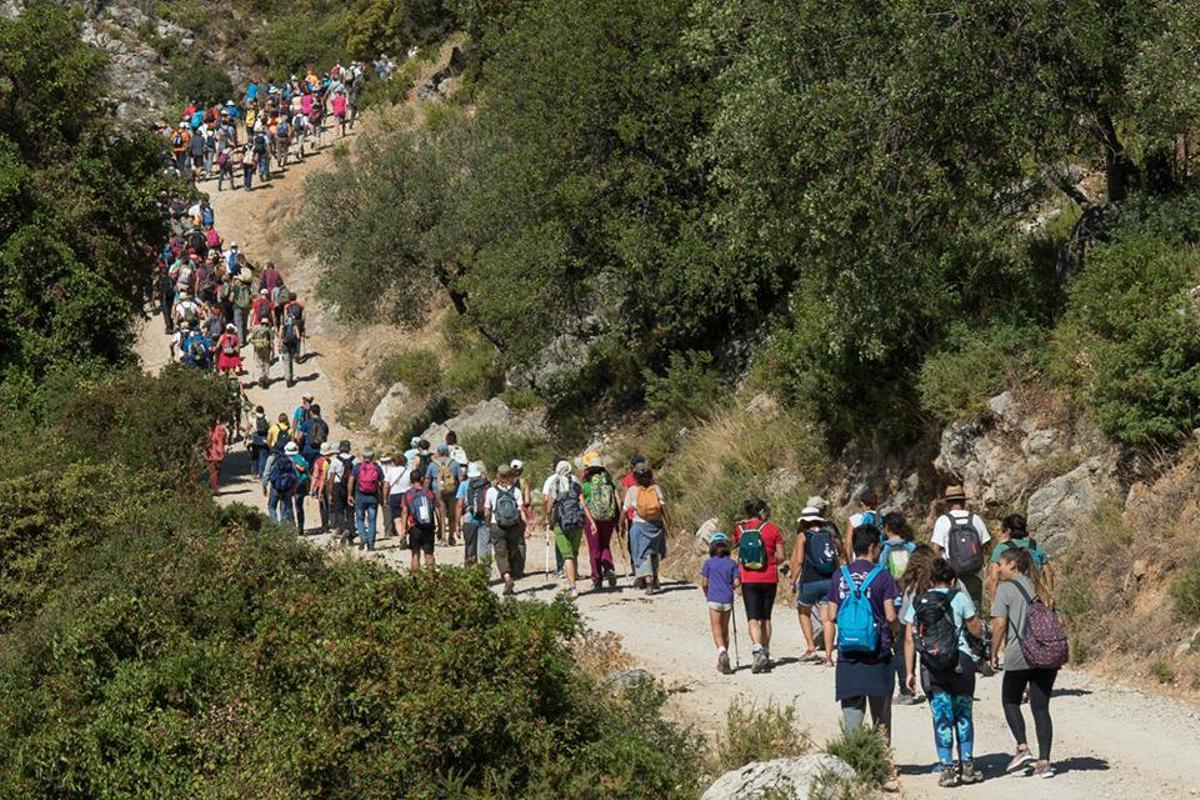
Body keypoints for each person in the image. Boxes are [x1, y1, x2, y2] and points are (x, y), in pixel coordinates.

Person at [903, 557, 985, 787]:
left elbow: (909, 638)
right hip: (961, 662)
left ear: (930, 579)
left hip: (932, 665)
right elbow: (976, 629)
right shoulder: (959, 597)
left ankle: (947, 769)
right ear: (952, 579)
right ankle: (967, 766)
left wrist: (909, 672)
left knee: (941, 716)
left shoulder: (919, 602)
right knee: (963, 714)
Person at [823, 524, 901, 742]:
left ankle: (854, 762)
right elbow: (891, 616)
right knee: (881, 717)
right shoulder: (882, 576)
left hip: (849, 655)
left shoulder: (840, 575)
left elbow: (831, 615)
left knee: (852, 717)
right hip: (878, 654)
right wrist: (896, 633)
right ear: (873, 547)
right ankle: (883, 763)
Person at [991, 548, 1061, 779]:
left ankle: (1022, 748)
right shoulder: (1041, 587)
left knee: (1010, 700)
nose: (997, 568)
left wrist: (993, 653)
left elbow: (1000, 624)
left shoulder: (1005, 589)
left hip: (1020, 653)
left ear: (1012, 564)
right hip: (1047, 653)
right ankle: (1045, 762)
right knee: (1041, 707)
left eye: (1000, 563)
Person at [931, 485, 991, 643]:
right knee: (974, 612)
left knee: (953, 612)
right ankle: (978, 648)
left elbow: (935, 549)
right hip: (975, 574)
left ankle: (957, 646)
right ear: (963, 501)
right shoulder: (975, 519)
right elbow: (986, 545)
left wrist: (940, 570)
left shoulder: (943, 521)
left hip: (951, 576)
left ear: (947, 503)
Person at [734, 498, 786, 673]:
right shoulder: (772, 529)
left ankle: (757, 649)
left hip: (748, 577)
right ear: (761, 512)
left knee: (752, 617)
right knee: (766, 618)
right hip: (769, 577)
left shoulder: (740, 529)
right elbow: (781, 557)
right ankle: (766, 651)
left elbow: (737, 548)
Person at [788, 506, 839, 662]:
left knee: (803, 611)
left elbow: (799, 561)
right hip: (829, 580)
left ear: (804, 521)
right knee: (827, 619)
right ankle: (829, 657)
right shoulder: (829, 534)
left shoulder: (803, 536)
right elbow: (836, 558)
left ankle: (811, 648)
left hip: (810, 580)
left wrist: (792, 582)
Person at [545, 460, 590, 599]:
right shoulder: (576, 485)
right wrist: (591, 521)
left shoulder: (555, 485)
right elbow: (583, 504)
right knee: (574, 553)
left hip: (561, 523)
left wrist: (549, 521)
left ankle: (572, 588)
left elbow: (548, 506)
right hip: (577, 522)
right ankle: (574, 578)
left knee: (567, 556)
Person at [622, 461, 669, 594]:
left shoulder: (632, 490)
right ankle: (655, 579)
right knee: (654, 553)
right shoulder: (656, 488)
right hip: (656, 525)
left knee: (643, 555)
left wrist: (621, 525)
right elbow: (664, 507)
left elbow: (625, 509)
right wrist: (668, 524)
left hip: (639, 526)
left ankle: (648, 583)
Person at [485, 465, 530, 596]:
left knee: (500, 554)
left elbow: (487, 511)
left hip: (497, 525)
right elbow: (521, 510)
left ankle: (507, 578)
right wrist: (525, 527)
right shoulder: (516, 491)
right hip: (514, 527)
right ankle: (513, 573)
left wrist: (488, 523)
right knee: (512, 551)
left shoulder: (491, 491)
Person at [700, 532, 740, 675]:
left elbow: (704, 583)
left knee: (716, 627)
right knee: (725, 629)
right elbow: (736, 583)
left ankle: (722, 652)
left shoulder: (709, 563)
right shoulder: (732, 563)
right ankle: (723, 660)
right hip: (727, 599)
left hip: (714, 598)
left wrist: (706, 593)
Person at [987, 513, 1052, 599]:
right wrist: (1049, 593)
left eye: (1004, 530)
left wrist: (994, 601)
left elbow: (994, 577)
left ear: (1009, 530)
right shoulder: (1035, 546)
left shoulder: (1001, 549)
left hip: (1012, 595)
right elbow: (1048, 572)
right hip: (1036, 595)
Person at [580, 454, 619, 589]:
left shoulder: (586, 484)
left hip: (593, 520)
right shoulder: (608, 481)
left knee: (594, 550)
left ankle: (597, 578)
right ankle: (609, 569)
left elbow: (582, 502)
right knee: (605, 545)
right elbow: (617, 499)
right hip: (608, 518)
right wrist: (617, 517)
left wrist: (590, 521)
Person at [400, 470, 439, 571]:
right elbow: (437, 510)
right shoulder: (429, 493)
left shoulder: (408, 494)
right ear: (422, 479)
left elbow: (404, 512)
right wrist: (440, 527)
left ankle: (416, 581)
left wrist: (403, 530)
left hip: (414, 527)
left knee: (415, 554)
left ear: (410, 480)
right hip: (429, 527)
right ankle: (431, 580)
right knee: (429, 554)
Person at [349, 446, 384, 551]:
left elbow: (351, 480)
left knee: (360, 519)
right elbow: (382, 482)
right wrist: (382, 495)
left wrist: (350, 494)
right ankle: (371, 543)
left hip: (360, 496)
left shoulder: (357, 467)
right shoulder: (377, 467)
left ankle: (363, 537)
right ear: (373, 456)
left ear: (363, 456)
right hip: (373, 497)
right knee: (372, 520)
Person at [456, 461, 489, 567]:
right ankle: (485, 575)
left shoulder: (464, 484)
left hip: (469, 519)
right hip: (484, 519)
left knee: (470, 547)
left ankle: (470, 574)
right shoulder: (487, 484)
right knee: (485, 548)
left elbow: (460, 505)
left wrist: (457, 524)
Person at [428, 442, 461, 546]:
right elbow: (460, 478)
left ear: (438, 452)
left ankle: (443, 538)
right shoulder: (454, 463)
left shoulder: (433, 464)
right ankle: (451, 536)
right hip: (452, 491)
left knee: (441, 514)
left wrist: (426, 491)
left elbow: (427, 479)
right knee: (451, 514)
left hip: (438, 491)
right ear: (447, 452)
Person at [326, 440, 356, 546]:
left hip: (338, 487)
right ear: (349, 448)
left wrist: (330, 493)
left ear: (340, 448)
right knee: (351, 511)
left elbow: (331, 478)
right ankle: (351, 535)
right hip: (352, 487)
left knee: (339, 510)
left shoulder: (335, 461)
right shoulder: (355, 460)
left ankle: (343, 530)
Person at [267, 441, 302, 525]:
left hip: (275, 487)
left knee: (271, 507)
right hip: (287, 488)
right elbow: (295, 476)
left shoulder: (274, 459)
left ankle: (275, 525)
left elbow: (269, 473)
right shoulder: (291, 461)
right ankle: (285, 526)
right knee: (286, 507)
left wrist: (265, 484)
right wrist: (294, 487)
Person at [845, 486, 884, 557]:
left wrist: (850, 563)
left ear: (862, 503)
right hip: (878, 559)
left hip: (859, 560)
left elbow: (848, 544)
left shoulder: (855, 519)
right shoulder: (882, 518)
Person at [383, 453, 411, 541]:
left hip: (394, 495)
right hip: (407, 495)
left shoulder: (390, 472)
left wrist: (385, 498)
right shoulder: (408, 471)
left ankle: (401, 536)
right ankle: (407, 533)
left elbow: (386, 486)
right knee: (407, 516)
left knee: (397, 518)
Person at [310, 442, 333, 534]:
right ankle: (330, 524)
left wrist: (313, 489)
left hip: (322, 486)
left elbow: (316, 476)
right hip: (331, 485)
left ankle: (325, 526)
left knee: (323, 507)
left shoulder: (319, 462)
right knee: (329, 506)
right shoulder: (330, 461)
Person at [248, 317, 273, 387]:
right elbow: (271, 341)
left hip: (258, 349)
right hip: (267, 349)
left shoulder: (256, 330)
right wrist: (273, 351)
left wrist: (255, 344)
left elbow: (251, 339)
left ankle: (261, 377)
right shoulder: (269, 330)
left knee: (259, 364)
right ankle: (266, 379)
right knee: (267, 364)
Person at [247, 406, 271, 478]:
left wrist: (246, 438)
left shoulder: (253, 418)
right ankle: (262, 474)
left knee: (254, 456)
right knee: (263, 457)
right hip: (264, 438)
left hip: (255, 439)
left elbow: (248, 427)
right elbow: (269, 429)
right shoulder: (267, 418)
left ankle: (254, 473)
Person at [205, 421, 227, 495]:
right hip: (218, 454)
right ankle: (214, 487)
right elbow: (224, 440)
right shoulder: (221, 430)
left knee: (214, 471)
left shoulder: (208, 431)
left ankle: (213, 487)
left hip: (211, 454)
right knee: (215, 471)